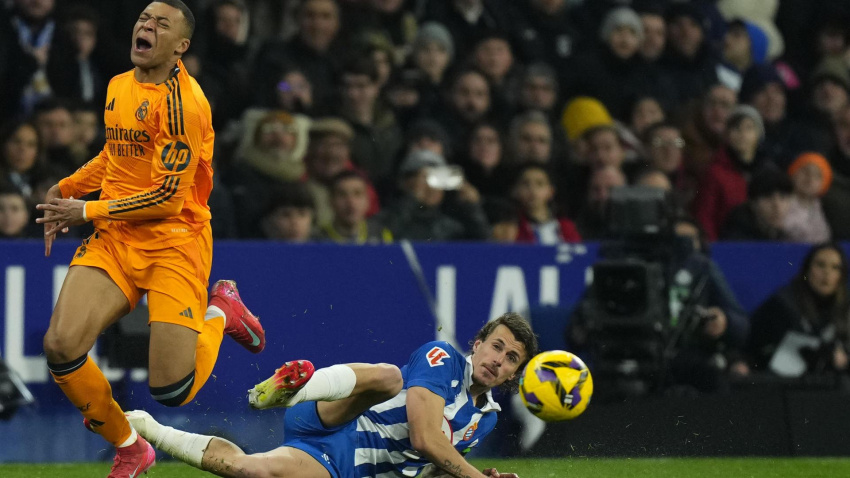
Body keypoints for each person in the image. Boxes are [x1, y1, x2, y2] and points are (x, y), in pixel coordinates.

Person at [34, 2, 266, 476]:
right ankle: (130, 447)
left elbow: (165, 197)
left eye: (162, 24)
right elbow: (114, 155)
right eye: (144, 19)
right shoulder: (121, 84)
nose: (147, 26)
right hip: (116, 238)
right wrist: (69, 187)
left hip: (174, 242)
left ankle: (221, 311)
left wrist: (87, 208)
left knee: (172, 390)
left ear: (181, 46)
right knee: (61, 345)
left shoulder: (186, 105)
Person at [127, 313, 537, 478]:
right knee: (391, 378)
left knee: (252, 471)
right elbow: (425, 439)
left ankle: (148, 429)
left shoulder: (487, 419)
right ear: (478, 343)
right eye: (497, 346)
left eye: (511, 358)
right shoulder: (443, 358)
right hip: (337, 417)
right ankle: (294, 390)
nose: (499, 360)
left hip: (342, 465)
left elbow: (426, 467)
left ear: (514, 374)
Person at [747, 243, 849, 375]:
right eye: (820, 265)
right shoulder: (783, 304)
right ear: (807, 269)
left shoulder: (846, 306)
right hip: (781, 381)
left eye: (835, 267)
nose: (827, 273)